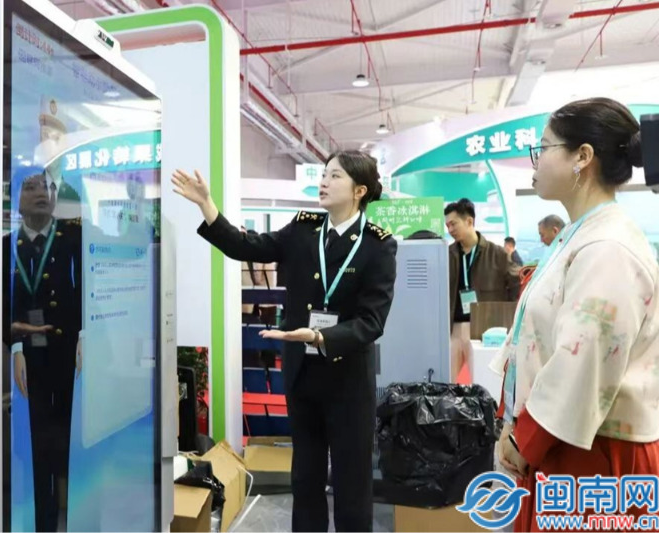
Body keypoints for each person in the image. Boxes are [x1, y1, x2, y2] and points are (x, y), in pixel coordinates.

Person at [172, 150, 397, 532]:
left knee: (352, 485)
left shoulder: (378, 245)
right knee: (305, 480)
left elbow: (371, 321)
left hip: (348, 380)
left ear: (359, 190)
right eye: (324, 174)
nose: (324, 182)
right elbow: (247, 246)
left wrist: (320, 336)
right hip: (303, 375)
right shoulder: (303, 230)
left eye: (335, 176)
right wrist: (207, 205)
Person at [494, 98, 659, 531]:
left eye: (544, 147)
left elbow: (582, 360)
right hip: (564, 438)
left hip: (593, 450)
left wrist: (524, 438)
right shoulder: (578, 235)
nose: (535, 161)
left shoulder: (608, 247)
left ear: (582, 157)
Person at [3, 171, 83, 532]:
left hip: (70, 354)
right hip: (28, 359)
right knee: (34, 443)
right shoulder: (6, 246)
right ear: (16, 199)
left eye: (46, 187)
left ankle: (74, 517)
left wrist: (86, 335)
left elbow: (89, 289)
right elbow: (4, 303)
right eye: (30, 187)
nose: (40, 193)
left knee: (69, 437)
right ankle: (42, 520)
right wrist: (16, 345)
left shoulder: (74, 237)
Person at [445, 198, 519, 382]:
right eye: (447, 226)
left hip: (485, 329)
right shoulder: (447, 254)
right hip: (454, 327)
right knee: (449, 381)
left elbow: (516, 283)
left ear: (469, 221)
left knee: (485, 381)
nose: (450, 230)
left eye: (453, 224)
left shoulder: (497, 254)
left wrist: (508, 314)